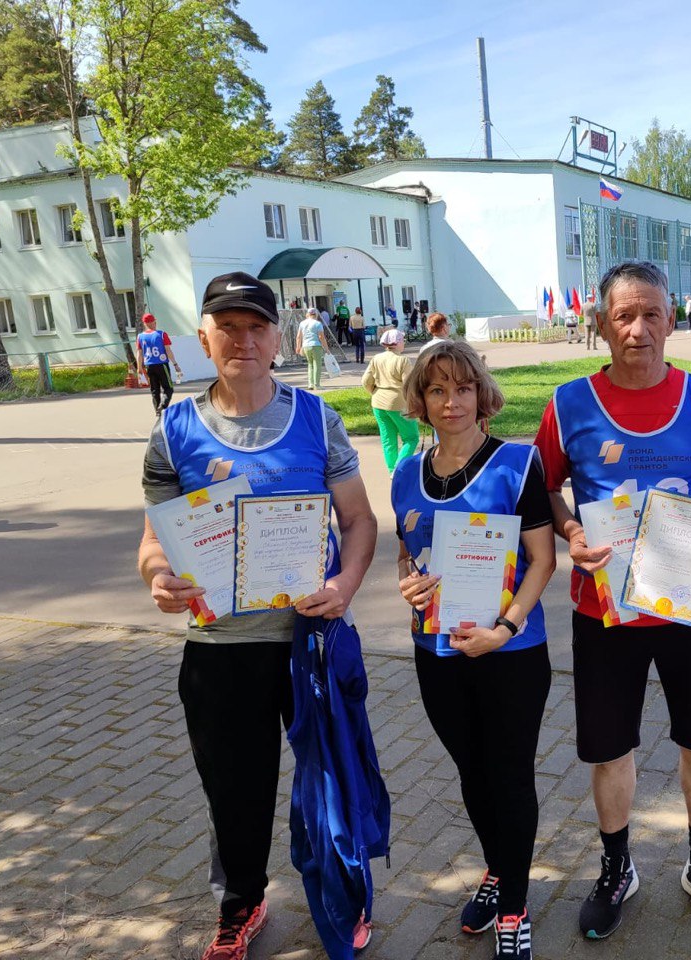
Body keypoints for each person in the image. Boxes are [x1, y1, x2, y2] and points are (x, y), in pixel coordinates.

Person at [137, 271, 378, 960]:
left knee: (335, 779)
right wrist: (158, 577)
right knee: (233, 790)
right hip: (219, 649)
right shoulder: (175, 430)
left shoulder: (315, 419)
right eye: (228, 327)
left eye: (256, 327)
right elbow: (155, 540)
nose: (243, 340)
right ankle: (241, 903)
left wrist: (346, 582)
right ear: (203, 338)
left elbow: (360, 521)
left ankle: (345, 895)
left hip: (310, 641)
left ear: (279, 336)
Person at [533, 260, 691, 941]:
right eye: (623, 315)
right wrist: (570, 530)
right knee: (610, 750)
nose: (638, 329)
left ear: (671, 319)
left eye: (650, 313)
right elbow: (543, 488)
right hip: (606, 611)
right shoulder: (568, 403)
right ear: (600, 323)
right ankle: (616, 867)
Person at [392, 340, 555, 960]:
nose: (451, 400)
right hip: (436, 650)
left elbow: (542, 560)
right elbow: (409, 556)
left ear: (481, 394)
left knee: (509, 774)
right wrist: (405, 584)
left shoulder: (517, 464)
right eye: (436, 390)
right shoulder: (407, 473)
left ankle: (513, 904)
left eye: (462, 387)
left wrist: (506, 628)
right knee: (471, 771)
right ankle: (497, 867)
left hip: (510, 651)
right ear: (422, 401)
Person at [362, 328, 419, 473]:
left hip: (378, 402)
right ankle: (398, 469)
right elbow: (408, 385)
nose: (404, 343)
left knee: (388, 438)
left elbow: (366, 381)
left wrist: (373, 391)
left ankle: (391, 468)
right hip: (398, 403)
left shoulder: (376, 358)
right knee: (411, 437)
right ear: (398, 342)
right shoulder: (403, 360)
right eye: (403, 340)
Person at [135, 312, 181, 415]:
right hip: (162, 364)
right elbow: (168, 350)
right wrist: (175, 364)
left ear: (144, 324)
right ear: (154, 322)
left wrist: (139, 368)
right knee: (168, 388)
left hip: (149, 366)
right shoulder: (161, 334)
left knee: (154, 390)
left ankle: (157, 411)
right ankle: (162, 407)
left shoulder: (140, 337)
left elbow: (139, 353)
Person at [297, 307, 331, 391]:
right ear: (316, 314)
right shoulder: (317, 324)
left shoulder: (302, 323)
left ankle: (310, 384)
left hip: (305, 346)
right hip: (316, 346)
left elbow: (298, 337)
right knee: (317, 365)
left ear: (307, 314)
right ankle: (317, 384)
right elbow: (321, 337)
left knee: (310, 364)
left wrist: (298, 347)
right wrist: (326, 349)